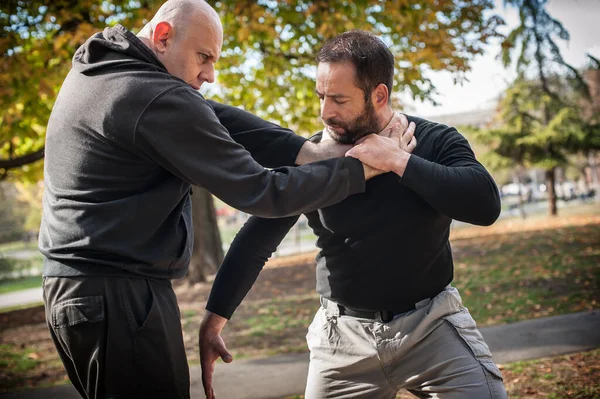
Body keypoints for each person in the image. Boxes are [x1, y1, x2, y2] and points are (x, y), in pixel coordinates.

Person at [39, 2, 406, 398]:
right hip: (116, 296)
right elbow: (262, 192)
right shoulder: (149, 96)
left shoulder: (108, 71)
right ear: (163, 36)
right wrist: (360, 171)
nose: (210, 74)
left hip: (78, 293)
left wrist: (303, 151)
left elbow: (209, 114)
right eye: (203, 57)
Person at [200, 30, 508, 399]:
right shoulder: (312, 157)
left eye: (339, 99)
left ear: (379, 95)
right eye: (322, 96)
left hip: (432, 326)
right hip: (341, 340)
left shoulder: (433, 141)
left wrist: (396, 159)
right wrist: (213, 321)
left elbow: (485, 204)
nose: (325, 112)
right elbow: (256, 241)